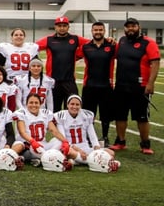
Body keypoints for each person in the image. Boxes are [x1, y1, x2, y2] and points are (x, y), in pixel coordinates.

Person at [110, 18, 160, 154]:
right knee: (120, 115)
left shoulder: (148, 43)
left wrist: (150, 83)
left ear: (139, 27)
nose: (130, 29)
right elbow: (114, 55)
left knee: (141, 117)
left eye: (133, 26)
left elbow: (155, 63)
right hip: (121, 85)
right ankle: (120, 141)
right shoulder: (122, 41)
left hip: (140, 86)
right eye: (128, 27)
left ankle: (145, 144)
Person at [36, 16, 88, 111]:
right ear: (55, 27)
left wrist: (78, 55)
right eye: (59, 26)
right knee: (53, 109)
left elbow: (90, 44)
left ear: (68, 27)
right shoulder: (49, 39)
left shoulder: (75, 39)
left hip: (69, 81)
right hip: (53, 81)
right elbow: (33, 47)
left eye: (64, 25)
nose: (62, 28)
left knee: (72, 108)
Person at [78, 21, 116, 147]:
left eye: (100, 30)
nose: (98, 32)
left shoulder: (112, 46)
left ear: (104, 31)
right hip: (89, 86)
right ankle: (89, 137)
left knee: (105, 114)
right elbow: (72, 56)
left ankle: (105, 137)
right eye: (96, 30)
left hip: (106, 86)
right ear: (92, 31)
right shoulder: (85, 47)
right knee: (89, 114)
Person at [55, 95, 116, 165]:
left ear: (80, 106)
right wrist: (79, 150)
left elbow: (92, 136)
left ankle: (77, 161)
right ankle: (98, 162)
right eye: (72, 104)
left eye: (77, 104)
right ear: (67, 105)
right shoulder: (61, 116)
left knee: (111, 152)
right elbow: (64, 140)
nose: (74, 107)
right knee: (69, 152)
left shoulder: (87, 115)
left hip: (85, 147)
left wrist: (97, 149)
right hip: (71, 147)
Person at [14, 93, 68, 166]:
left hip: (42, 144)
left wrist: (65, 142)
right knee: (33, 148)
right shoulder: (21, 113)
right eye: (31, 102)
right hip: (29, 145)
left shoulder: (45, 113)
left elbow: (54, 131)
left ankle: (45, 159)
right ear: (26, 104)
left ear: (40, 104)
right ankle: (55, 160)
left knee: (59, 141)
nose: (34, 105)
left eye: (36, 103)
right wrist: (32, 142)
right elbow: (22, 132)